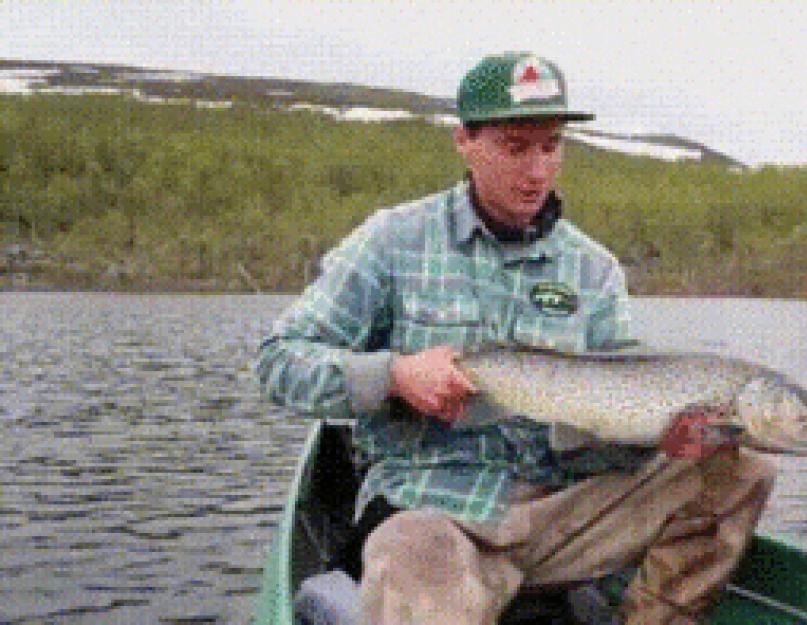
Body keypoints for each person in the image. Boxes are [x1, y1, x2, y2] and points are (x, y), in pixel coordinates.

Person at [259, 52, 775, 625]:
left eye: (551, 146)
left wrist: (659, 441)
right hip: (435, 514)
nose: (537, 170)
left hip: (561, 515)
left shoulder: (593, 269)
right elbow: (279, 363)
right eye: (515, 147)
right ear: (465, 141)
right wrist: (394, 376)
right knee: (414, 556)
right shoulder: (392, 241)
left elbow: (602, 443)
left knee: (741, 470)